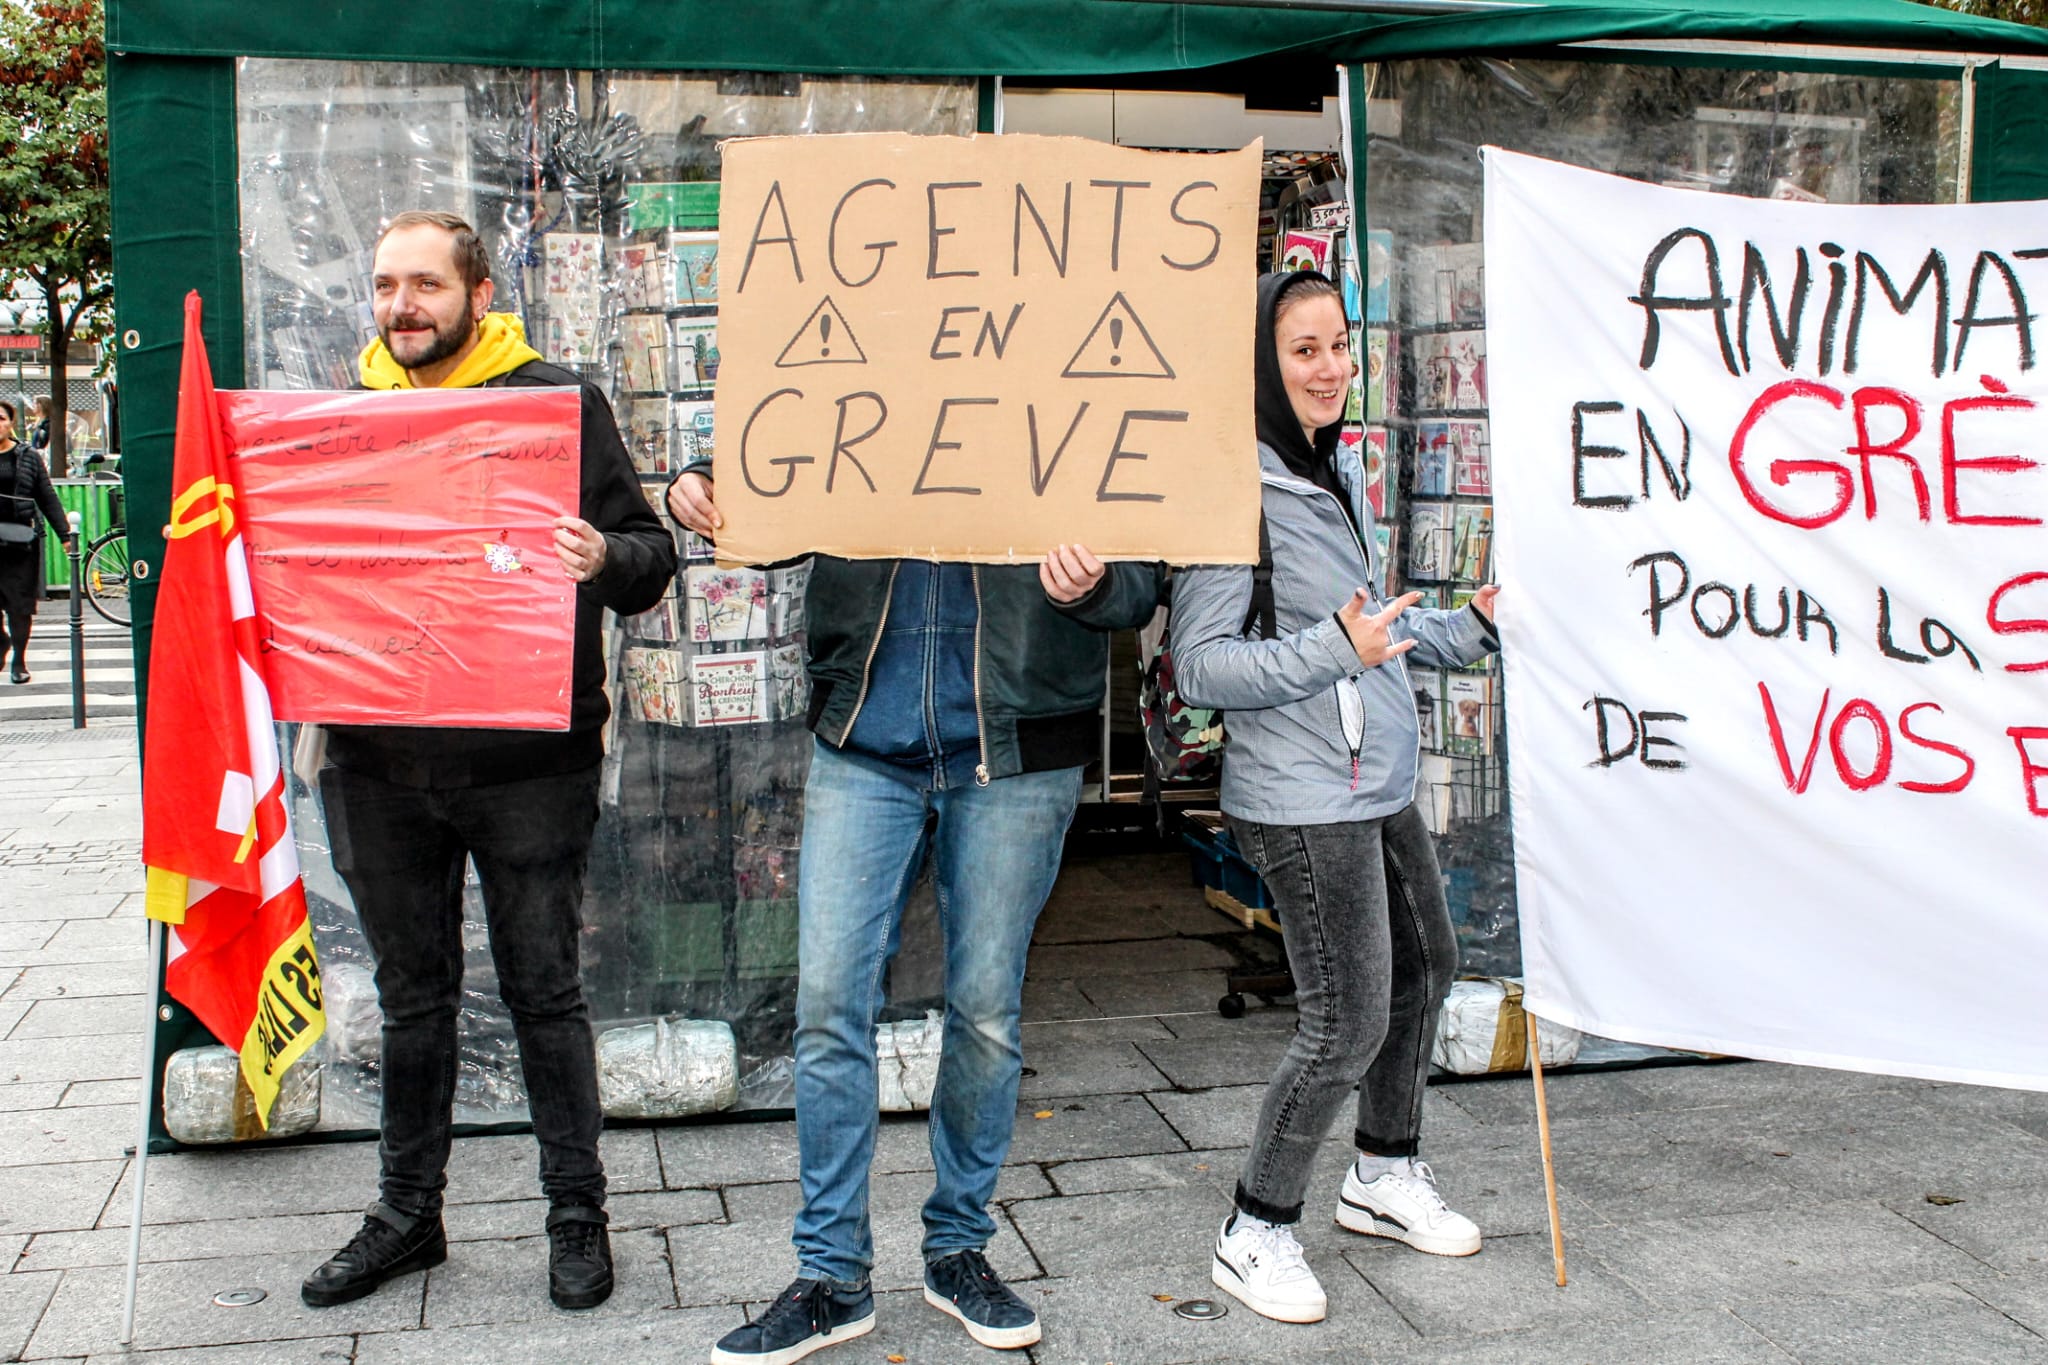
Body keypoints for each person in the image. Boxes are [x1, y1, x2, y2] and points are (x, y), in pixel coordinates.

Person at [668, 479, 1161, 1362]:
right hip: (866, 733)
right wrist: (706, 478)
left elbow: (1145, 573)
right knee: (828, 1003)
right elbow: (787, 447)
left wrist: (1098, 585)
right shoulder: (867, 374)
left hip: (1017, 742)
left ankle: (957, 1248)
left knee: (985, 1011)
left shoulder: (1069, 401)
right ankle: (831, 1274)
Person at [300, 211, 676, 1312]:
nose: (401, 305)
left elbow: (650, 559)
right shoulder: (341, 417)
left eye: (424, 284)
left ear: (477, 294)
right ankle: (406, 1216)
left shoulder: (555, 405)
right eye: (385, 285)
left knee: (543, 992)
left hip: (526, 764)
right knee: (412, 998)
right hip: (374, 761)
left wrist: (601, 555)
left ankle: (576, 1215)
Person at [1172, 269, 1501, 1325]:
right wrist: (1332, 649)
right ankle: (1254, 1228)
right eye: (1303, 350)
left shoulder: (1331, 467)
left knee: (1427, 967)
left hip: (1371, 778)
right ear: (1260, 364)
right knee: (1344, 1019)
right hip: (1300, 795)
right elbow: (1200, 665)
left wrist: (1475, 625)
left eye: (1339, 347)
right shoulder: (1232, 490)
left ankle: (1383, 1171)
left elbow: (1374, 626)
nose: (1330, 370)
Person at [0, 398, 70, 684]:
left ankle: (19, 659)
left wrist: (65, 534)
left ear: (11, 423)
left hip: (20, 544)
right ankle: (1, 642)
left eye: (1, 418)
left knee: (19, 606)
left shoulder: (28, 456)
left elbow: (46, 496)